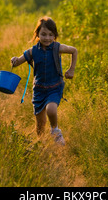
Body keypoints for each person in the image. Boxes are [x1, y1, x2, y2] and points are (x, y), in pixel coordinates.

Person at [11, 16, 77, 145]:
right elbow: (18, 62)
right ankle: (41, 147)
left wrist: (71, 69)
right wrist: (14, 60)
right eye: (43, 34)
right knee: (40, 126)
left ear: (55, 36)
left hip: (54, 87)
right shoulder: (33, 51)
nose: (47, 38)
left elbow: (74, 51)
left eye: (50, 35)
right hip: (39, 90)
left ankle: (55, 131)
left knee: (51, 110)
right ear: (37, 35)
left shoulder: (58, 48)